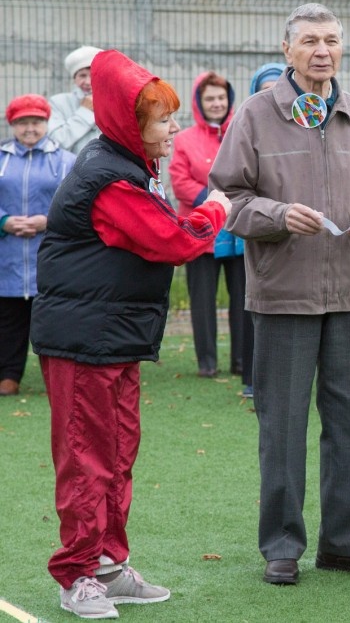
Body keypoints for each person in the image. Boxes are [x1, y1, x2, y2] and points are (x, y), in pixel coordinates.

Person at [30, 49, 231, 619]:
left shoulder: (125, 167)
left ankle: (109, 566)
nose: (173, 128)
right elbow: (173, 241)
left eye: (171, 117)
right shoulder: (109, 177)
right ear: (130, 122)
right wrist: (215, 210)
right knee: (87, 459)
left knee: (118, 453)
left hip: (111, 337)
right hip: (83, 341)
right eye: (163, 119)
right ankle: (76, 575)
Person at [209, 3, 350, 586]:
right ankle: (283, 546)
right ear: (287, 49)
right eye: (311, 41)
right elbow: (228, 201)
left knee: (349, 424)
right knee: (283, 425)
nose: (323, 51)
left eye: (333, 41)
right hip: (283, 295)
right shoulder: (254, 115)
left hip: (348, 292)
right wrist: (274, 215)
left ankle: (343, 542)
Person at [169, 72, 245, 378]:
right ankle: (207, 362)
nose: (216, 103)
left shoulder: (241, 131)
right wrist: (214, 201)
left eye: (221, 98)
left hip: (239, 227)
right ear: (199, 103)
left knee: (242, 298)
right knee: (202, 299)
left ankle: (241, 361)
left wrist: (234, 203)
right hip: (200, 228)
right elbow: (180, 181)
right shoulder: (185, 139)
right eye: (209, 98)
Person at [0, 95, 75, 397]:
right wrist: (3, 222)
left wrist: (47, 221)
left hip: (50, 258)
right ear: (12, 125)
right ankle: (8, 375)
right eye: (23, 123)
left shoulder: (66, 161)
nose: (30, 128)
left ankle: (57, 377)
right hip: (8, 257)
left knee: (55, 322)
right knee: (8, 322)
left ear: (47, 123)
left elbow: (76, 205)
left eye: (36, 122)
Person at [236, 62, 286, 398]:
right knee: (256, 312)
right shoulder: (247, 126)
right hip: (256, 241)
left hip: (296, 244)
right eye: (264, 90)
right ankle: (254, 379)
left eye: (276, 89)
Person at [48, 45, 103, 155]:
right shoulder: (58, 102)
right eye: (82, 75)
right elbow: (56, 141)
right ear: (74, 79)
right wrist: (85, 112)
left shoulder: (115, 102)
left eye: (93, 75)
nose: (88, 82)